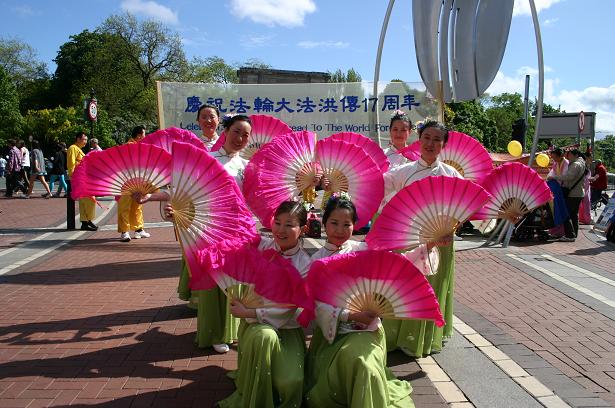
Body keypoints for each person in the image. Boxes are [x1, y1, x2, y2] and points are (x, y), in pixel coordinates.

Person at [137, 114, 252, 353]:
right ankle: (215, 333)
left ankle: (232, 331)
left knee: (235, 282)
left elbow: (259, 196)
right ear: (225, 132)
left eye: (245, 135)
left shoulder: (247, 166)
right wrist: (151, 196)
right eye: (236, 132)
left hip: (239, 229)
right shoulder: (208, 159)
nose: (240, 138)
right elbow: (184, 190)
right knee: (214, 283)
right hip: (210, 228)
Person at [304, 195, 414, 407]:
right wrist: (350, 315)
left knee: (366, 366)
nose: (340, 230)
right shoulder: (316, 260)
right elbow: (317, 306)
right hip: (334, 332)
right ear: (324, 223)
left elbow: (400, 263)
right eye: (334, 223)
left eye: (347, 224)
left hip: (367, 329)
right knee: (357, 363)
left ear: (355, 226)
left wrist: (430, 245)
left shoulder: (363, 251)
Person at [219, 201, 311, 408]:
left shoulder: (305, 265)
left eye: (289, 225)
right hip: (257, 327)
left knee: (292, 382)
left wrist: (248, 312)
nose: (281, 230)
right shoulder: (261, 245)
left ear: (303, 229)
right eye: (277, 222)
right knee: (265, 336)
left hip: (286, 330)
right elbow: (228, 236)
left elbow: (288, 310)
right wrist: (182, 220)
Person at [380, 120, 461, 357]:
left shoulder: (451, 175)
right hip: (409, 238)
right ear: (419, 139)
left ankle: (423, 339)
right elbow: (375, 188)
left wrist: (453, 226)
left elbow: (468, 206)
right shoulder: (403, 172)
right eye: (427, 137)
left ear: (444, 145)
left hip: (441, 240)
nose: (430, 144)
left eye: (437, 140)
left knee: (431, 288)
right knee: (404, 285)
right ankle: (396, 335)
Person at [117, 126, 150, 242]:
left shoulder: (140, 146)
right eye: (144, 134)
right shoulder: (129, 146)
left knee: (137, 205)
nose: (145, 136)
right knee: (125, 206)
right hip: (127, 180)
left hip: (138, 180)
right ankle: (124, 231)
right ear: (139, 136)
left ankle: (138, 229)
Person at [549, 149, 586, 242]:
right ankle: (574, 234)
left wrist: (554, 177)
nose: (568, 157)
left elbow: (568, 177)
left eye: (569, 155)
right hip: (579, 193)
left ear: (575, 155)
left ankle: (570, 235)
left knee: (566, 214)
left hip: (573, 193)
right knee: (574, 214)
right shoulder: (582, 163)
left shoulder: (575, 164)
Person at [67, 132, 98, 231]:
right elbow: (71, 164)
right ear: (78, 139)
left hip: (84, 178)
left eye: (86, 140)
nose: (85, 142)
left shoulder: (79, 150)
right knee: (86, 200)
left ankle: (88, 220)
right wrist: (73, 177)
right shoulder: (73, 148)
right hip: (79, 178)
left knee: (89, 200)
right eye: (84, 139)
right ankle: (85, 222)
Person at [547, 148, 569, 238]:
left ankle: (560, 231)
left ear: (560, 156)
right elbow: (551, 174)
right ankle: (554, 230)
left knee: (560, 209)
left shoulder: (566, 163)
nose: (553, 159)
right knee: (555, 210)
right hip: (556, 190)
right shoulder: (556, 163)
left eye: (555, 157)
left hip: (563, 189)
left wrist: (554, 178)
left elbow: (565, 176)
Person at [578, 153, 593, 225]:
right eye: (590, 157)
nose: (591, 159)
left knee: (582, 205)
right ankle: (587, 219)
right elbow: (585, 179)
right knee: (586, 204)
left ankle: (582, 219)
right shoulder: (583, 167)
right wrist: (593, 178)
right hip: (584, 189)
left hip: (584, 188)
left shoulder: (583, 166)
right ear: (586, 158)